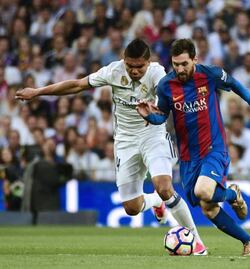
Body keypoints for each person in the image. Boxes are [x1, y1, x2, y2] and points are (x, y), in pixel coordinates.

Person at [15, 38, 207, 255]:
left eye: (139, 67)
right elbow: (78, 85)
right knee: (131, 207)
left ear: (148, 62)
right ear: (123, 61)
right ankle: (154, 202)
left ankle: (197, 242)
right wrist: (38, 92)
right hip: (125, 141)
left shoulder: (157, 74)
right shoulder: (113, 71)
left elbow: (176, 102)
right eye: (130, 66)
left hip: (153, 135)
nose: (134, 71)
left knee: (165, 188)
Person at [136, 39, 250, 256]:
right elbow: (162, 116)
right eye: (175, 64)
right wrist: (150, 116)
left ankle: (232, 195)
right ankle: (248, 241)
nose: (180, 69)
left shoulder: (210, 74)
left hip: (214, 148)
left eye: (184, 63)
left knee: (203, 191)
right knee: (208, 207)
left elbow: (233, 83)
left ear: (194, 59)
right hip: (188, 156)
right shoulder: (166, 86)